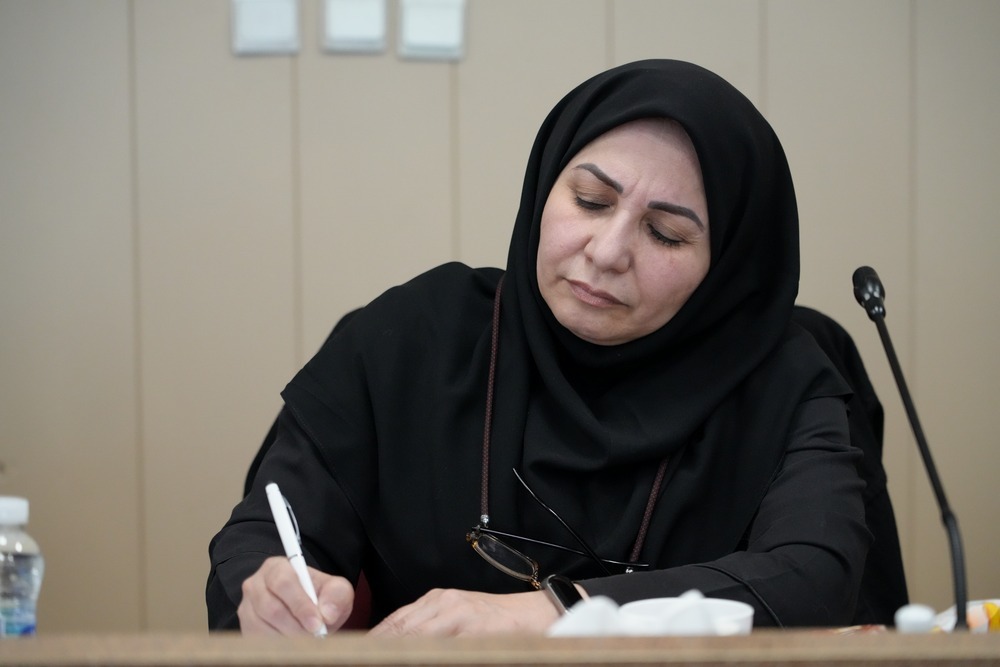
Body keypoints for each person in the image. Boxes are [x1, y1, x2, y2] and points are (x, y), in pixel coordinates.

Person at [206, 59, 870, 636]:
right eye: (590, 200)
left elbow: (814, 576)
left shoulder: (783, 382)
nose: (607, 252)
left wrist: (560, 613)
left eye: (665, 234)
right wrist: (269, 591)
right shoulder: (414, 338)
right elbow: (267, 531)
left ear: (727, 269)